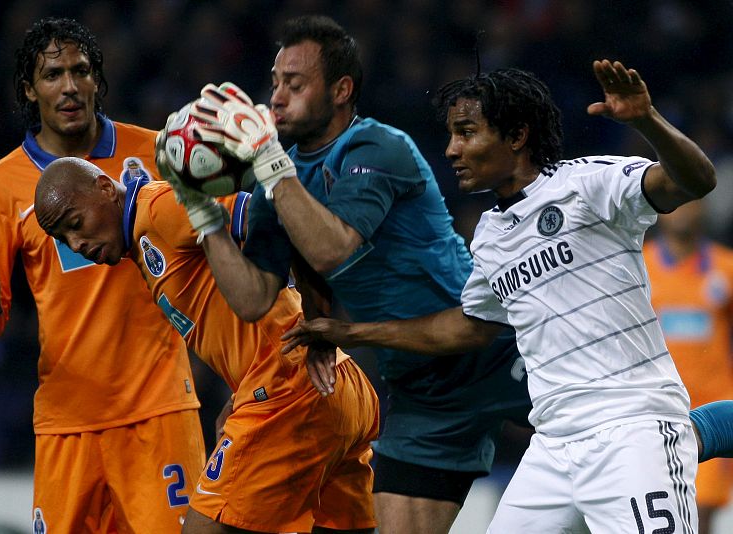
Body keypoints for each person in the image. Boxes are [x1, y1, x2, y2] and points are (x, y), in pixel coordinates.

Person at [279, 59, 720, 532]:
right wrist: (349, 332)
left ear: (516, 136)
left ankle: (707, 430)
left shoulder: (588, 185)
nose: (451, 150)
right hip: (554, 445)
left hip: (632, 428)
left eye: (466, 132)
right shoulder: (490, 235)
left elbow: (694, 181)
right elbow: (468, 325)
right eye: (451, 135)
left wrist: (645, 121)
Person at [174, 15, 533, 534]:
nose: (276, 99)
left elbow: (332, 249)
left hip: (490, 348)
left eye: (295, 85)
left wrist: (272, 164)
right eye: (275, 84)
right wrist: (202, 212)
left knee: (620, 440)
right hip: (418, 388)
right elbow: (253, 298)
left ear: (341, 90)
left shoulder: (377, 147)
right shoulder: (282, 179)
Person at [34, 155, 380, 534]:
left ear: (104, 188)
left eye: (76, 223)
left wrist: (320, 325)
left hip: (289, 392)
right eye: (64, 239)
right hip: (338, 388)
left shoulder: (159, 207)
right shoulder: (144, 239)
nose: (77, 243)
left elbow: (280, 217)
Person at [0, 18, 204, 532]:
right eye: (52, 75)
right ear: (30, 88)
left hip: (159, 411)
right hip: (67, 423)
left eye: (80, 71)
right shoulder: (1, 185)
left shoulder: (156, 153)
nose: (69, 86)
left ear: (96, 79)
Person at [643, 200, 733, 534]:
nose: (682, 211)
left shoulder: (725, 267)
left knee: (701, 514)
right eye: (674, 203)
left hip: (714, 411)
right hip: (656, 411)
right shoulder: (639, 266)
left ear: (703, 210)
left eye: (690, 204)